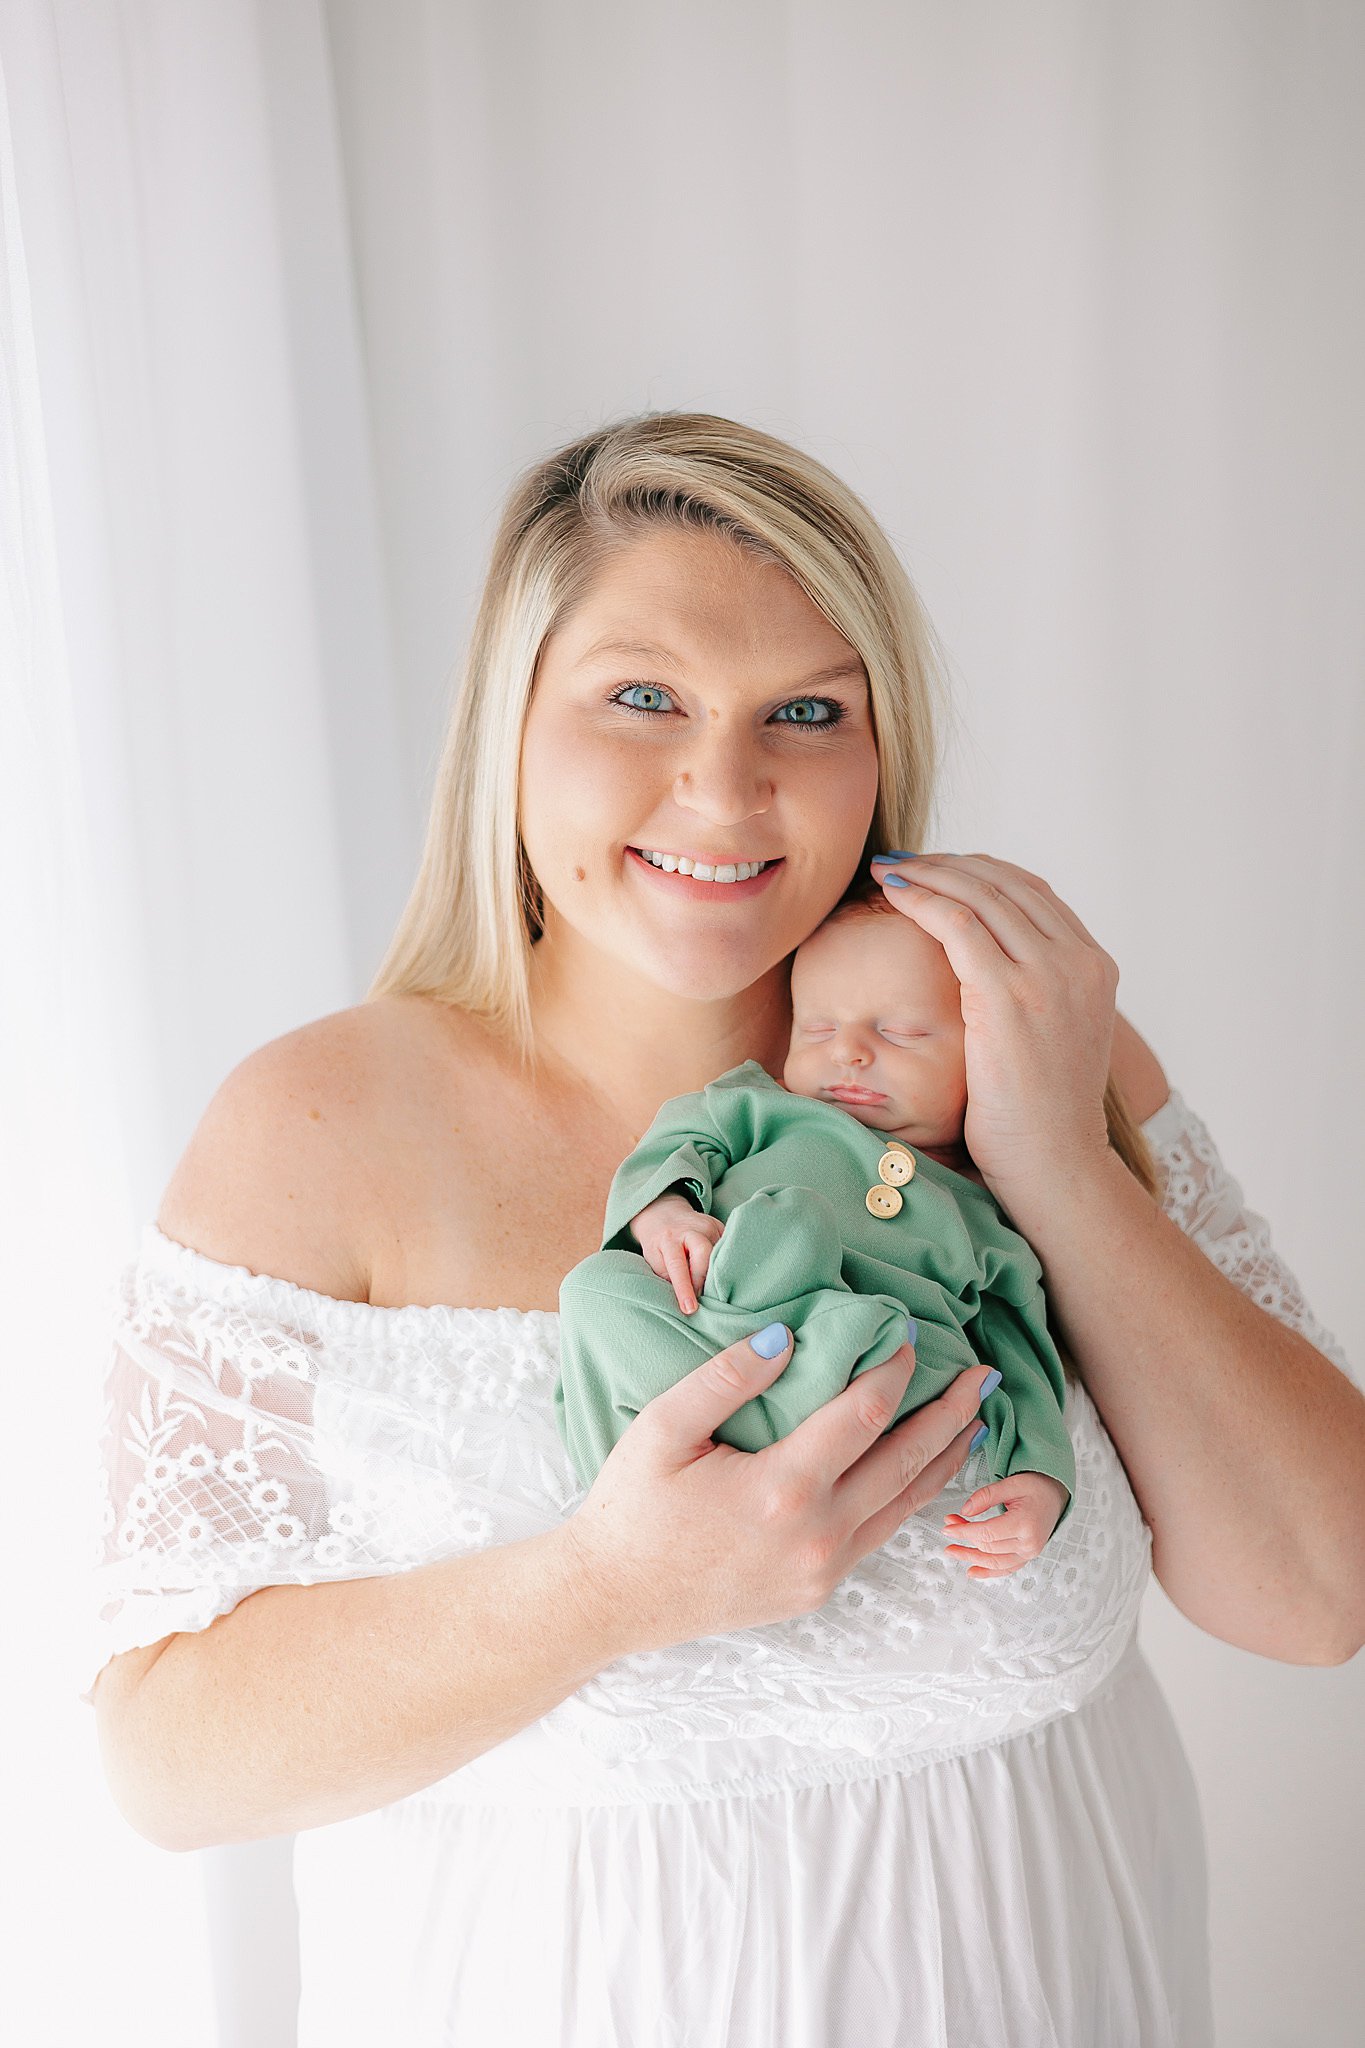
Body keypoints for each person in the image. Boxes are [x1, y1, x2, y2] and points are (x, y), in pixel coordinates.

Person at [86, 411, 1364, 2048]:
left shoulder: (1022, 1040)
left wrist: (1050, 1154)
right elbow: (167, 1759)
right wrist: (606, 1587)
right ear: (511, 728)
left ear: (882, 748)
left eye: (807, 711)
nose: (724, 784)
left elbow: (1319, 1589)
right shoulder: (319, 1125)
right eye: (642, 697)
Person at [558, 881, 1154, 1572]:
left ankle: (807, 1323)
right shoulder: (761, 1107)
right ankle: (621, 1496)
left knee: (849, 1296)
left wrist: (1043, 1479)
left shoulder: (983, 1217)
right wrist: (663, 1214)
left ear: (996, 1058)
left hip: (864, 1373)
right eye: (816, 1028)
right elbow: (674, 1144)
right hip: (704, 1341)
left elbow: (1018, 1356)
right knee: (594, 1289)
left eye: (899, 1032)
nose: (848, 1053)